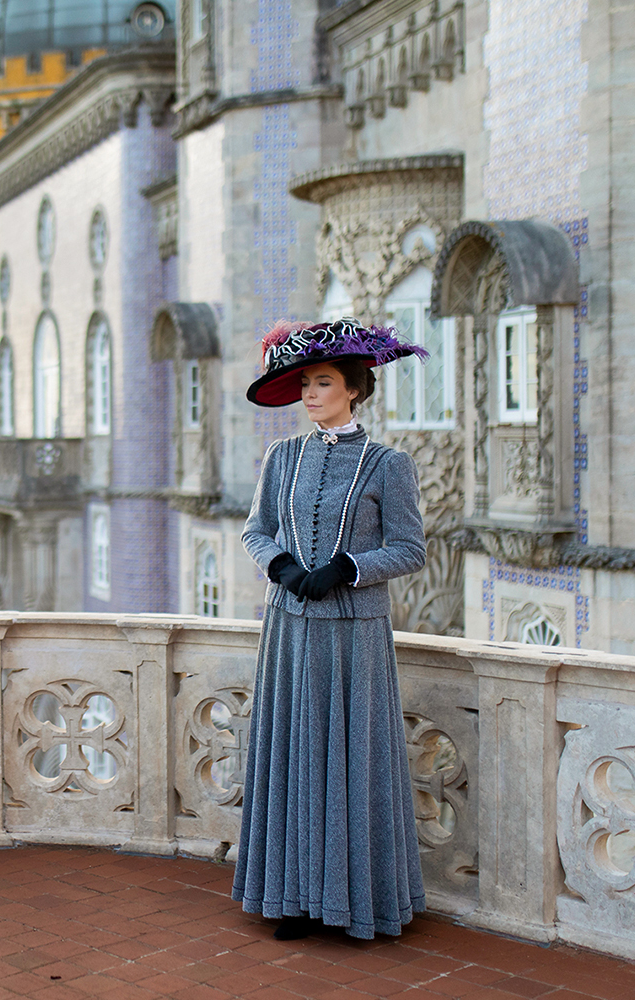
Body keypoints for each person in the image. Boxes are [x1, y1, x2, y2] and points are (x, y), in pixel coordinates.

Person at [232, 317, 430, 941]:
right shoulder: (282, 456)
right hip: (288, 632)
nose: (310, 394)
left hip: (354, 639)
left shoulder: (387, 465)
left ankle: (350, 904)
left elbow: (409, 549)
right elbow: (255, 529)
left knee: (351, 762)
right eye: (305, 385)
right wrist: (282, 565)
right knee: (292, 756)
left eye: (322, 383)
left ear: (352, 388)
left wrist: (348, 568)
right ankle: (288, 900)